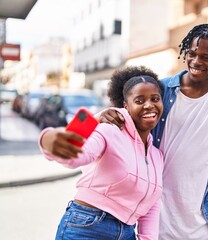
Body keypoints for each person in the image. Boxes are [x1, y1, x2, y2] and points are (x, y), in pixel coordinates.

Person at [97, 23, 208, 239]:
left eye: (206, 56)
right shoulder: (160, 91)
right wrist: (103, 116)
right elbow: (126, 121)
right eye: (192, 53)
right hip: (152, 221)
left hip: (201, 227)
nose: (196, 61)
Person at [38, 66, 164, 240]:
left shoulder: (157, 155)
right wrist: (48, 140)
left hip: (127, 233)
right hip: (87, 226)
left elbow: (151, 205)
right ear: (125, 105)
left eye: (155, 99)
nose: (149, 105)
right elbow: (77, 156)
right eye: (140, 100)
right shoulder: (108, 131)